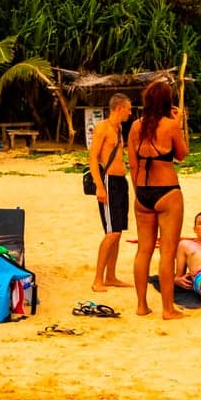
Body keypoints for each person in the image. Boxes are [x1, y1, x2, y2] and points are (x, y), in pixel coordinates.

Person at [129, 77, 188, 319]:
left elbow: (132, 165)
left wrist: (139, 192)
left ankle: (141, 305)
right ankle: (167, 308)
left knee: (143, 251)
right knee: (167, 251)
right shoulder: (170, 125)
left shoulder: (135, 126)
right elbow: (182, 155)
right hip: (167, 191)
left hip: (142, 192)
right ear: (167, 102)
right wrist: (179, 123)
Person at [90, 92, 133, 292]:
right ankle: (98, 279)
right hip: (108, 181)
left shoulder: (120, 128)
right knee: (111, 232)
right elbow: (93, 159)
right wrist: (99, 185)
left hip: (120, 182)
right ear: (119, 108)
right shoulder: (103, 128)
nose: (130, 112)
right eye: (129, 108)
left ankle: (111, 276)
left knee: (118, 231)